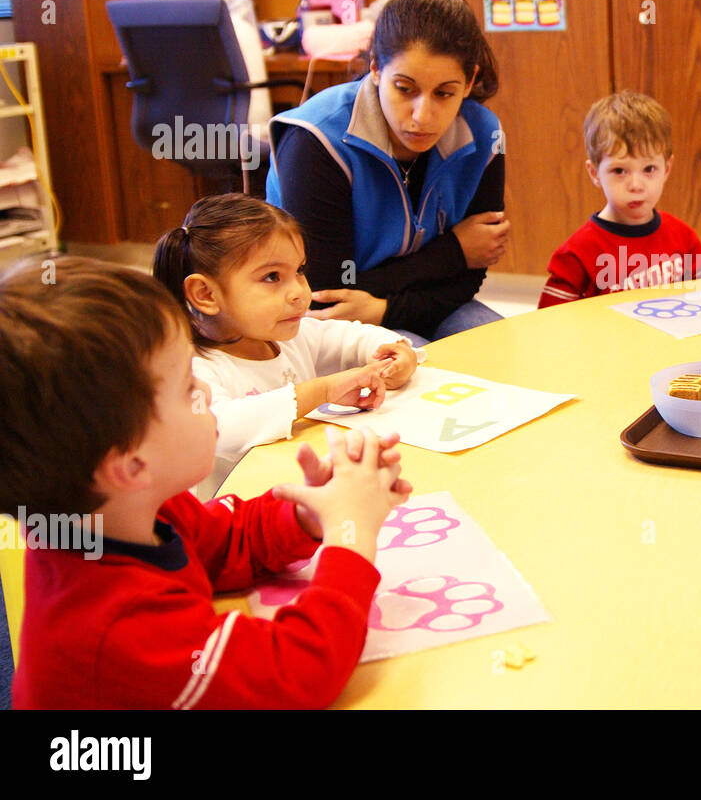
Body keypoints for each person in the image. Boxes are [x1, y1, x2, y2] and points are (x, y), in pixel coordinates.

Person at [0, 256, 411, 709]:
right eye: (185, 386)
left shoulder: (124, 509)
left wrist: (309, 513)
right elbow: (297, 673)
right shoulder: (121, 627)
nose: (208, 392)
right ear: (130, 465)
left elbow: (222, 541)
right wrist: (350, 539)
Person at [266, 0, 510, 343]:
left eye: (444, 93)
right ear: (377, 68)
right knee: (421, 379)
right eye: (404, 88)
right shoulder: (315, 141)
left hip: (422, 303)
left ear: (469, 81)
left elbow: (469, 275)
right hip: (321, 323)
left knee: (507, 355)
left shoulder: (484, 135)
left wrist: (385, 309)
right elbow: (328, 293)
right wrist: (454, 251)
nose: (422, 116)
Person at [154, 194, 419, 499]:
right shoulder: (191, 368)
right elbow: (221, 430)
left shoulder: (288, 335)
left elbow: (349, 337)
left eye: (299, 271)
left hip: (293, 500)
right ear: (206, 294)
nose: (299, 292)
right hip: (233, 524)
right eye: (272, 277)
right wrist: (323, 390)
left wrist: (395, 351)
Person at [538, 92, 701, 308]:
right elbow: (551, 327)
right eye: (619, 170)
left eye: (649, 169)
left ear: (666, 169)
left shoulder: (685, 240)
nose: (636, 185)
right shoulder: (576, 256)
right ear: (594, 173)